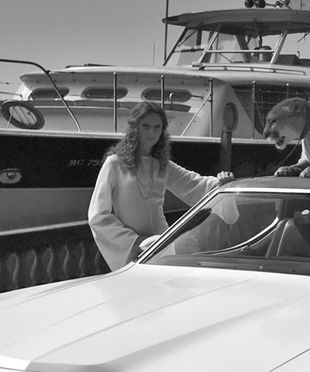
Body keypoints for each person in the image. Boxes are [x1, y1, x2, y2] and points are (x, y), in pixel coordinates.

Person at [89, 101, 233, 269]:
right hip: (130, 247)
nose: (152, 132)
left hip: (161, 244)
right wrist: (133, 241)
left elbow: (195, 185)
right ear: (135, 127)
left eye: (157, 127)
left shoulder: (162, 165)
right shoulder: (114, 164)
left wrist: (221, 182)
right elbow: (97, 215)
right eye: (146, 126)